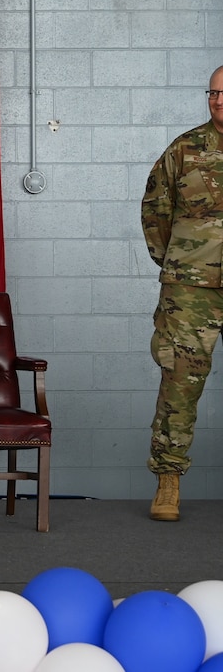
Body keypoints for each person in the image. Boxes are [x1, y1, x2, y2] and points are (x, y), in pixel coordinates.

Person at [141, 65, 223, 522]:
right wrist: (179, 263)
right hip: (191, 290)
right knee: (180, 382)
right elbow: (156, 211)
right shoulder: (184, 149)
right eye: (213, 92)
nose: (218, 100)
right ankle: (168, 480)